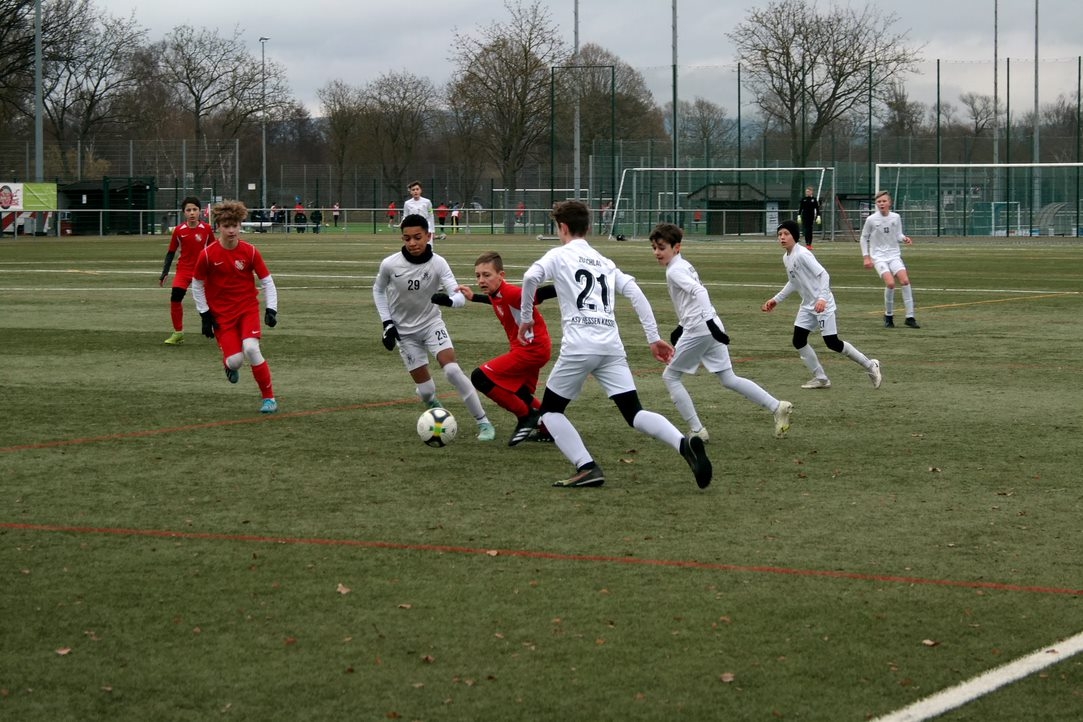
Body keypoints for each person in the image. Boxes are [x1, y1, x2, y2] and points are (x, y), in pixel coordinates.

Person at [517, 200, 713, 489]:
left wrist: (526, 319)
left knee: (551, 411)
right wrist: (653, 338)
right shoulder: (605, 262)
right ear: (589, 228)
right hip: (611, 346)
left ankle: (587, 467)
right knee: (634, 413)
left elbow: (530, 277)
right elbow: (635, 292)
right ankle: (683, 444)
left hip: (580, 346)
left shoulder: (559, 255)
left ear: (563, 228)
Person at [649, 223, 793, 440]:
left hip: (700, 329)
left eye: (662, 248)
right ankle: (777, 406)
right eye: (654, 248)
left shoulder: (675, 270)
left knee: (671, 376)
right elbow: (691, 301)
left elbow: (700, 291)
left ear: (677, 247)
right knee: (728, 378)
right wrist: (684, 325)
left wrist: (708, 323)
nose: (657, 252)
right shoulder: (682, 265)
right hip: (706, 326)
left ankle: (697, 431)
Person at [374, 214, 496, 441]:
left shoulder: (438, 263)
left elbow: (458, 297)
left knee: (452, 371)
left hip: (431, 325)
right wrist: (387, 323)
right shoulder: (390, 264)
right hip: (404, 334)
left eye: (418, 237)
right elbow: (378, 290)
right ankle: (431, 403)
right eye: (407, 238)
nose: (412, 243)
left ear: (429, 236)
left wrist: (449, 301)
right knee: (427, 390)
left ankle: (484, 422)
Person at [440, 251, 556, 446]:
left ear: (501, 275)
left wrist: (570, 285)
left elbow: (540, 294)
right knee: (520, 392)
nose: (481, 280)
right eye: (478, 276)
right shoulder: (497, 293)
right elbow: (496, 300)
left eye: (487, 275)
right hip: (534, 348)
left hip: (531, 350)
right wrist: (474, 297)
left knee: (480, 377)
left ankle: (526, 416)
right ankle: (549, 428)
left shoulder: (511, 293)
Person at [762, 220, 882, 391]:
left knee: (832, 343)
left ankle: (871, 365)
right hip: (808, 306)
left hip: (822, 305)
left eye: (786, 234)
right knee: (798, 340)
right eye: (780, 234)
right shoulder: (786, 257)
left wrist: (822, 299)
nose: (782, 237)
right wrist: (776, 300)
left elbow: (824, 275)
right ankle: (821, 378)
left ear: (794, 236)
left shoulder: (802, 254)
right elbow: (793, 282)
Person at [191, 200, 279, 414]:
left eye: (235, 226)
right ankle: (229, 365)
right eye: (226, 226)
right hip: (221, 316)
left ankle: (269, 398)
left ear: (240, 225)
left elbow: (267, 281)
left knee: (251, 348)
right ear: (218, 227)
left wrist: (271, 309)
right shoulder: (208, 255)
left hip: (247, 309)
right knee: (236, 361)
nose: (231, 230)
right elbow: (197, 284)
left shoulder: (250, 251)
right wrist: (204, 314)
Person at [159, 196, 215, 345]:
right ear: (183, 212)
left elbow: (214, 250)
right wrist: (165, 272)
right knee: (175, 298)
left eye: (194, 209)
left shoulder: (206, 229)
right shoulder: (179, 230)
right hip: (184, 270)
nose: (192, 213)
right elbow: (171, 252)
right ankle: (178, 333)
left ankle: (216, 327)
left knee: (211, 300)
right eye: (188, 210)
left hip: (202, 271)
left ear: (200, 211)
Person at [860, 190, 920, 328]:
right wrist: (866, 257)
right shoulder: (871, 220)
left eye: (884, 201)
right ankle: (888, 315)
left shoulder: (896, 217)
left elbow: (898, 234)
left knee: (905, 281)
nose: (881, 204)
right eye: (879, 202)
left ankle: (910, 317)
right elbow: (864, 238)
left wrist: (904, 238)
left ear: (889, 203)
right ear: (876, 204)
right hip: (878, 257)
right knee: (891, 284)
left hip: (893, 255)